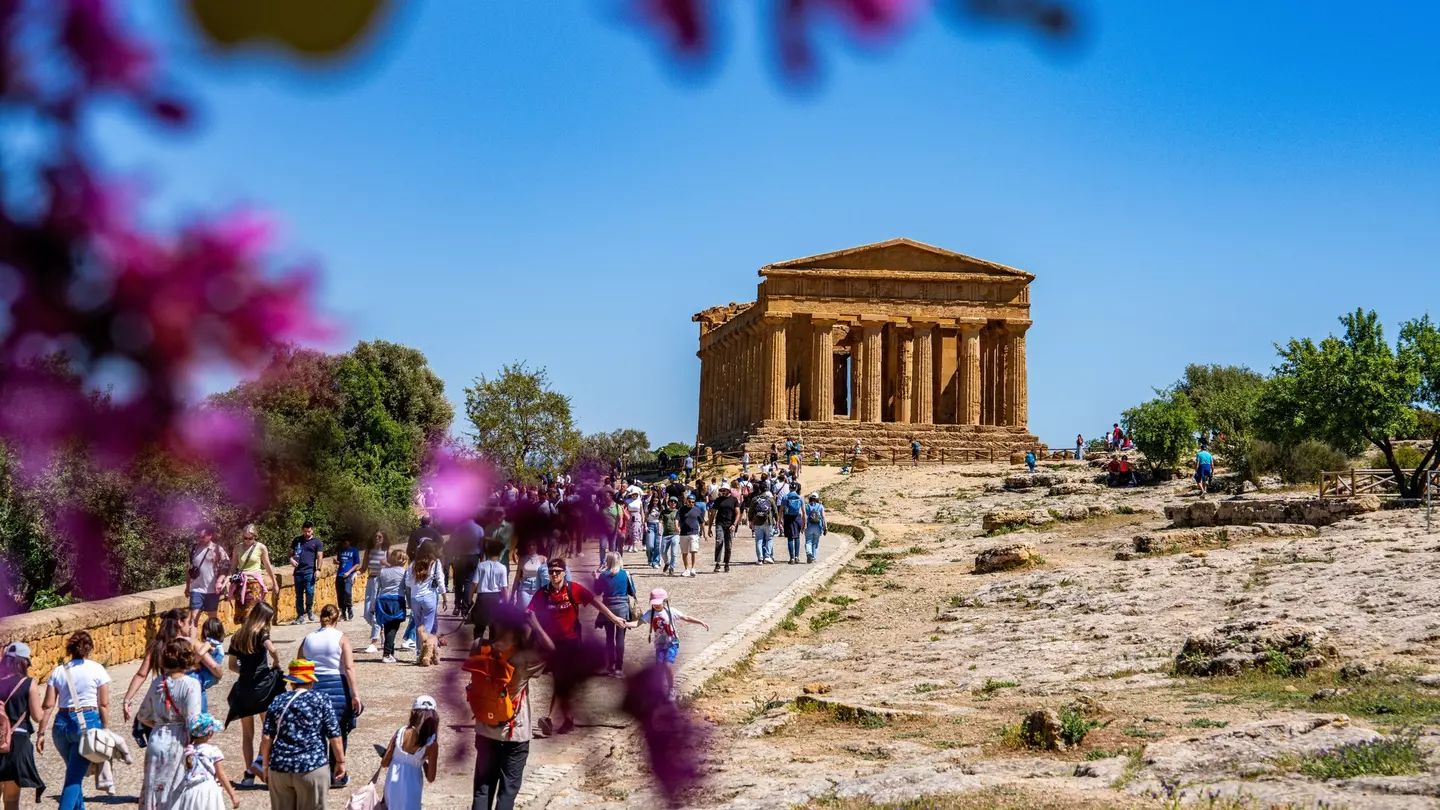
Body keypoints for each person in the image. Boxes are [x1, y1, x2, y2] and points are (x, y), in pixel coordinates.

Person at [525, 559, 628, 736]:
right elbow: (529, 613)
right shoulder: (543, 593)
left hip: (571, 642)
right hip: (551, 644)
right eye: (551, 572)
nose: (554, 575)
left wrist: (614, 618)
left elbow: (596, 603)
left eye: (557, 571)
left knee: (561, 680)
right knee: (562, 681)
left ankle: (550, 719)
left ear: (564, 572)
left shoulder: (573, 589)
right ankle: (568, 719)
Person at [469, 623, 546, 810]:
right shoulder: (522, 658)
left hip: (485, 729)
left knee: (482, 789)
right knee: (507, 793)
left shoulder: (479, 647)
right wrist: (535, 625)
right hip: (515, 733)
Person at [259, 660, 345, 810]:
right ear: (311, 680)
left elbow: (267, 738)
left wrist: (265, 767)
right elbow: (334, 735)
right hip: (311, 766)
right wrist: (340, 761)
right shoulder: (321, 699)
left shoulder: (278, 700)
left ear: (292, 682)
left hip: (279, 767)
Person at [43, 632, 109, 810]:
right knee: (74, 777)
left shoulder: (58, 671)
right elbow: (103, 703)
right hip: (87, 724)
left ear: (69, 649)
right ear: (90, 648)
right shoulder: (97, 669)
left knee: (74, 772)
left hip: (61, 726)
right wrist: (105, 728)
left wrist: (41, 733)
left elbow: (48, 705)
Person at [136, 637, 203, 810]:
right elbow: (193, 720)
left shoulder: (158, 682)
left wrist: (160, 725)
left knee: (153, 786)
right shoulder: (191, 684)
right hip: (178, 740)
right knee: (174, 790)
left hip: (156, 738)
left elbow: (142, 715)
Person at [296, 606, 359, 786]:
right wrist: (355, 695)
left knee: (317, 732)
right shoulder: (342, 638)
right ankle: (337, 773)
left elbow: (299, 664)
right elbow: (348, 668)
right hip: (338, 687)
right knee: (339, 731)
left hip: (314, 686)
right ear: (336, 619)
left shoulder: (308, 639)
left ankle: (319, 773)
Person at [124, 612, 221, 727]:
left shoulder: (157, 645)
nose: (190, 626)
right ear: (180, 623)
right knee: (198, 726)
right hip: (191, 688)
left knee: (169, 725)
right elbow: (213, 666)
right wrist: (218, 676)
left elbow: (141, 674)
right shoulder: (191, 643)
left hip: (167, 689)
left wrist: (127, 699)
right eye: (188, 623)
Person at [224, 603, 284, 788]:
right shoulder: (261, 634)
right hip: (263, 688)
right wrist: (275, 662)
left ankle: (248, 773)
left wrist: (246, 670)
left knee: (247, 734)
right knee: (270, 729)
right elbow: (272, 649)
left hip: (244, 687)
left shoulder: (237, 636)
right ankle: (260, 764)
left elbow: (232, 666)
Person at [628, 589, 708, 699]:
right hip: (659, 645)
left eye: (658, 603)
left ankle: (671, 689)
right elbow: (638, 623)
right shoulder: (650, 614)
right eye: (654, 603)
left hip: (672, 643)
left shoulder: (671, 611)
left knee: (667, 665)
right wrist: (626, 624)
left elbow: (686, 618)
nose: (656, 605)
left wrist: (700, 622)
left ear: (665, 601)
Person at [0, 642, 46, 810]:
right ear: (23, 662)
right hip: (17, 744)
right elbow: (37, 716)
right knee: (11, 800)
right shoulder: (28, 683)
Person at [379, 696, 438, 810]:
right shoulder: (432, 744)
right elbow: (431, 777)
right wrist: (421, 762)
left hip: (392, 785)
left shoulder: (401, 732)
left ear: (413, 712)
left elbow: (385, 763)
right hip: (412, 787)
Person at [175, 713, 238, 810]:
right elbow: (220, 774)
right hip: (208, 791)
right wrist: (232, 794)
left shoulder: (187, 751)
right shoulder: (213, 751)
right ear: (210, 733)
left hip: (190, 792)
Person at [592, 553, 636, 677]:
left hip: (608, 608)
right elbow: (632, 592)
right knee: (620, 638)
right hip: (622, 608)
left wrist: (595, 578)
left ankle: (610, 665)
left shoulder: (603, 575)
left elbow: (597, 592)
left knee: (609, 638)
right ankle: (618, 668)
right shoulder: (625, 574)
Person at [405, 547, 446, 664]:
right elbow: (441, 581)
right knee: (427, 628)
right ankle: (425, 656)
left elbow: (407, 582)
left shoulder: (413, 563)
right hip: (429, 597)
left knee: (419, 628)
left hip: (415, 598)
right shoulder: (436, 563)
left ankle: (419, 654)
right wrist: (444, 597)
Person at [229, 525, 276, 625]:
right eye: (245, 538)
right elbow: (233, 567)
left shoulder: (261, 548)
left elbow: (267, 566)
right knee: (242, 614)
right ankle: (246, 637)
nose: (247, 540)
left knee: (250, 613)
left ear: (255, 536)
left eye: (250, 538)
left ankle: (251, 636)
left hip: (254, 584)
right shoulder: (237, 548)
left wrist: (275, 583)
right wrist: (228, 581)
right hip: (241, 584)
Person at [186, 524, 230, 631]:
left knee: (212, 618)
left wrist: (219, 581)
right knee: (194, 618)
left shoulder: (218, 550)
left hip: (212, 590)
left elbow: (226, 568)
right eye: (198, 537)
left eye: (203, 537)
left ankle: (213, 643)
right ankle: (192, 645)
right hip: (196, 588)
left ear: (210, 535)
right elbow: (189, 569)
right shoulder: (193, 549)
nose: (200, 539)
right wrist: (188, 587)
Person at [373, 549, 410, 663]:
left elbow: (376, 588)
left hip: (383, 600)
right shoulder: (404, 572)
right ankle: (387, 654)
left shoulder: (383, 571)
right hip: (396, 600)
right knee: (393, 628)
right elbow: (407, 589)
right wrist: (410, 603)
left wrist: (373, 605)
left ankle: (391, 653)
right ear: (403, 560)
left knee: (388, 626)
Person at [469, 539, 510, 642]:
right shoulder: (502, 568)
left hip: (482, 598)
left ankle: (477, 648)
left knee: (479, 627)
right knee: (494, 626)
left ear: (488, 551)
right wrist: (506, 602)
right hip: (496, 598)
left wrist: (470, 599)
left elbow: (474, 583)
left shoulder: (481, 566)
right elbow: (504, 587)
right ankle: (492, 650)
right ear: (499, 553)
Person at [361, 531, 391, 654]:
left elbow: (394, 567)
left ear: (384, 539)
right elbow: (363, 568)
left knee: (375, 613)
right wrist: (354, 574)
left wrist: (386, 564)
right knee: (367, 613)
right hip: (371, 581)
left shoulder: (387, 550)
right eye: (375, 536)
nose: (377, 538)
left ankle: (374, 643)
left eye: (380, 537)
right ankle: (381, 631)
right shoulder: (369, 550)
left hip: (382, 583)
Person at [289, 522, 324, 625]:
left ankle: (309, 609)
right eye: (305, 531)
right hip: (298, 572)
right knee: (298, 595)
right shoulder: (297, 540)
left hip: (310, 571)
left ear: (312, 530)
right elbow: (290, 552)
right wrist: (290, 559)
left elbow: (320, 557)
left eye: (309, 531)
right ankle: (300, 616)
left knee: (309, 592)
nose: (307, 533)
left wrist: (318, 569)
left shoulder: (317, 542)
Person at [189, 619, 226, 714]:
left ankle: (202, 713)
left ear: (206, 631)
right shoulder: (219, 644)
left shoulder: (209, 643)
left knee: (195, 684)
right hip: (213, 675)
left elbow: (200, 653)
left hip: (207, 674)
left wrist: (194, 663)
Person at [709, 483, 740, 574]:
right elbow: (713, 513)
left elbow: (737, 513)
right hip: (720, 524)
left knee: (728, 545)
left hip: (730, 524)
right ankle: (718, 563)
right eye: (721, 490)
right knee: (719, 541)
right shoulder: (718, 500)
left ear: (728, 491)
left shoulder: (734, 500)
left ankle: (726, 563)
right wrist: (710, 527)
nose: (722, 492)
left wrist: (734, 524)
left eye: (724, 490)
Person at [676, 493, 704, 578]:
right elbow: (677, 519)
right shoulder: (681, 509)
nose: (691, 503)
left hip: (694, 533)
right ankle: (686, 569)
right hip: (683, 533)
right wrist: (676, 526)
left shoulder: (697, 510)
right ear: (686, 501)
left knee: (693, 551)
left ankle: (693, 568)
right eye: (689, 501)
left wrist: (705, 533)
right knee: (684, 552)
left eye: (692, 502)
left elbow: (702, 522)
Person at [334, 538, 361, 623]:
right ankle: (343, 613)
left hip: (348, 575)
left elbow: (357, 564)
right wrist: (336, 562)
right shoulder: (340, 551)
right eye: (343, 543)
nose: (344, 544)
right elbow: (341, 562)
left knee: (347, 592)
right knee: (340, 594)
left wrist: (349, 572)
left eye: (346, 542)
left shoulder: (354, 551)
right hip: (340, 574)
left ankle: (349, 608)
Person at [780, 488, 804, 564]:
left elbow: (781, 509)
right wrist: (804, 522)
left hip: (788, 517)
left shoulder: (785, 497)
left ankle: (791, 558)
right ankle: (797, 557)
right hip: (797, 517)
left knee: (790, 538)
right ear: (796, 489)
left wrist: (779, 519)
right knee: (797, 537)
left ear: (789, 488)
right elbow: (804, 511)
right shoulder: (800, 497)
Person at [803, 493, 826, 564]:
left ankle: (809, 553)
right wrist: (825, 527)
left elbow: (804, 516)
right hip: (818, 527)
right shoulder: (820, 506)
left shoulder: (807, 506)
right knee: (815, 543)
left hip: (809, 526)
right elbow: (823, 517)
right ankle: (814, 557)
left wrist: (802, 526)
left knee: (808, 541)